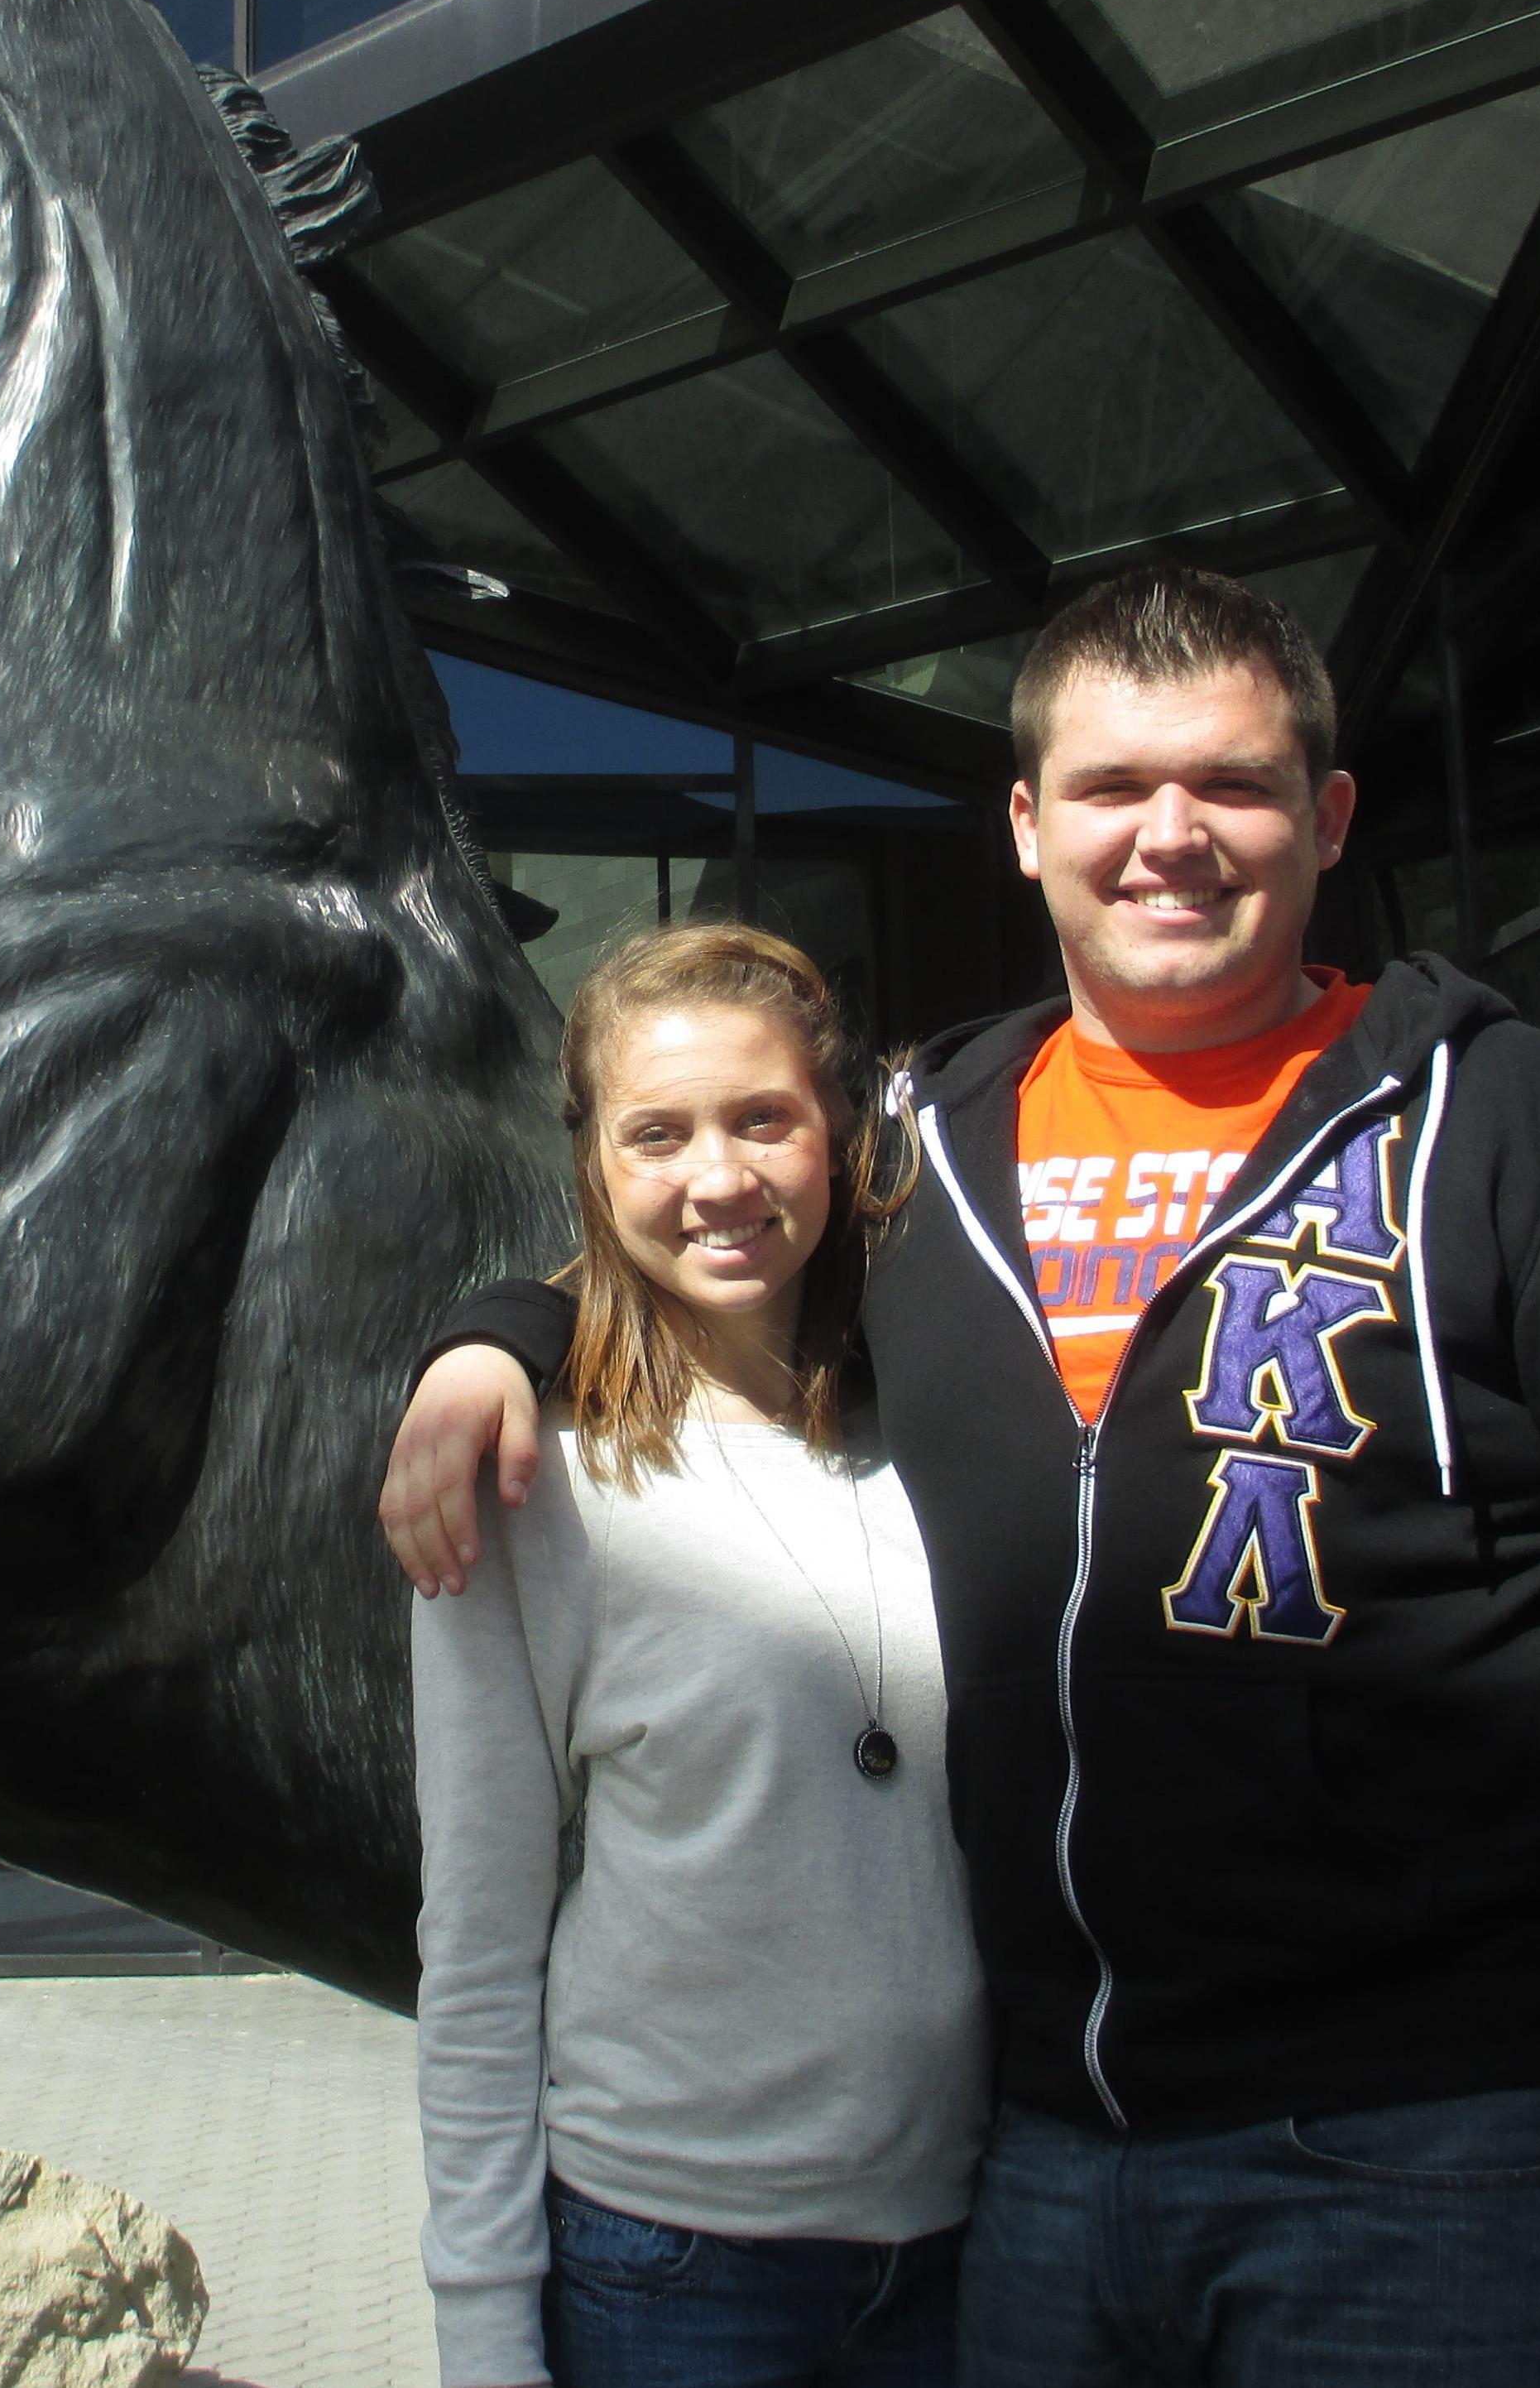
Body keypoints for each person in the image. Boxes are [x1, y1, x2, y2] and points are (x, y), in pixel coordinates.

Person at [385, 565, 1540, 2388]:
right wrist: (491, 1336)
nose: (1166, 834)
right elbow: (697, 1235)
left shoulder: (1511, 1127)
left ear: (1326, 817)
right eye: (1107, 788)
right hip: (1041, 2173)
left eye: (1230, 784)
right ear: (1023, 828)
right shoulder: (924, 1151)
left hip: (1451, 2149)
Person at [413, 920, 989, 2388]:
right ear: (597, 1172)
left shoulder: (942, 1436)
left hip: (971, 2242)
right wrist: (486, 2334)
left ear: (841, 1136)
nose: (717, 1179)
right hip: (675, 2268)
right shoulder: (533, 1490)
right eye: (656, 1133)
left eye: (763, 1120)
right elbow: (477, 1952)